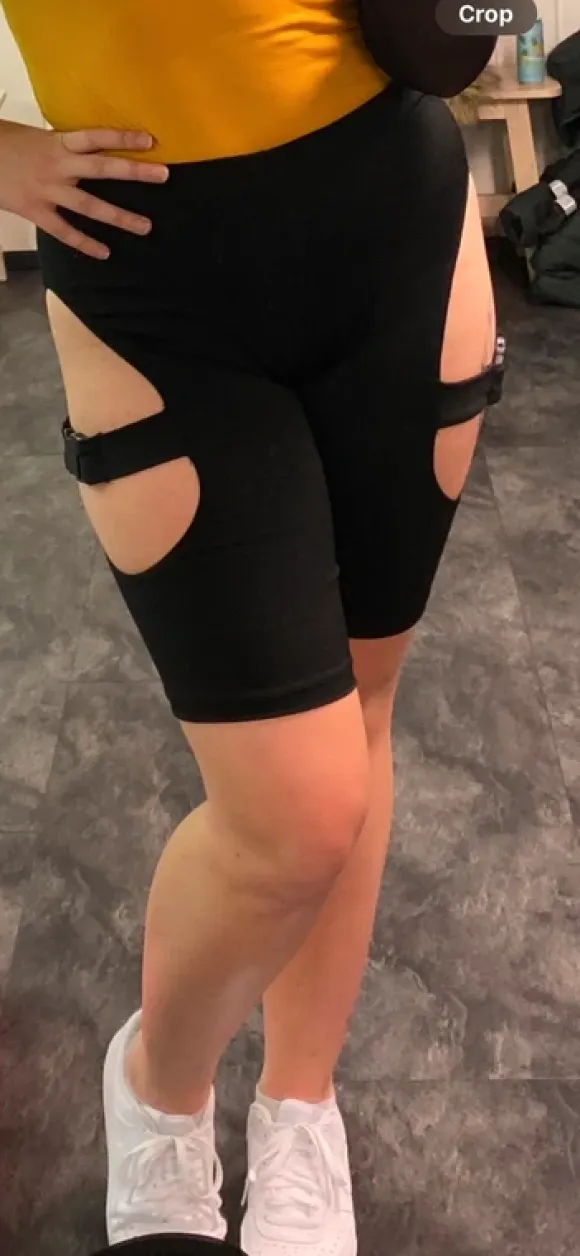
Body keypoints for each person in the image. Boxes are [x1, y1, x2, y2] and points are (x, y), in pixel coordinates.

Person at [0, 3, 502, 1254]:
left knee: (363, 715)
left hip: (394, 228)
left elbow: (490, 17)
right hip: (149, 276)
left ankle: (300, 1102)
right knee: (294, 807)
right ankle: (158, 1084)